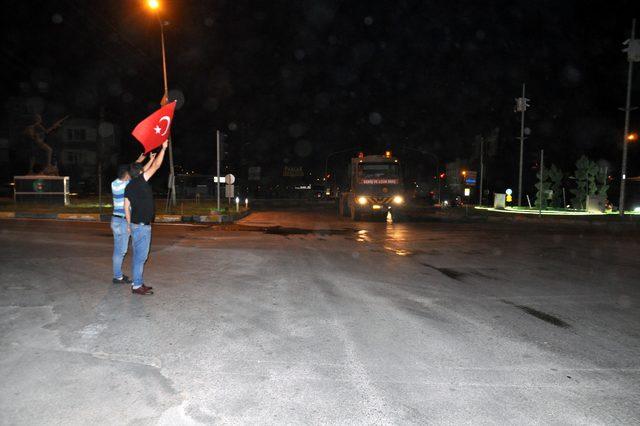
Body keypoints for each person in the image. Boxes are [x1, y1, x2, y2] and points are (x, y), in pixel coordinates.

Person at [124, 140, 168, 295]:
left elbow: (126, 207)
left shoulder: (129, 185)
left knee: (138, 256)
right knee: (140, 258)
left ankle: (138, 282)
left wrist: (129, 224)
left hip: (136, 225)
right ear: (140, 172)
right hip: (142, 227)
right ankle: (137, 286)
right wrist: (163, 149)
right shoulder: (141, 182)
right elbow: (156, 167)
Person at [111, 153, 156, 285]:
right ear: (127, 175)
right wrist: (150, 161)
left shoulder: (115, 184)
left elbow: (136, 172)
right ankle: (117, 276)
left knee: (118, 249)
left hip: (115, 220)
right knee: (121, 250)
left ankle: (117, 274)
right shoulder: (128, 186)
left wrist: (144, 160)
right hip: (124, 221)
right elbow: (139, 174)